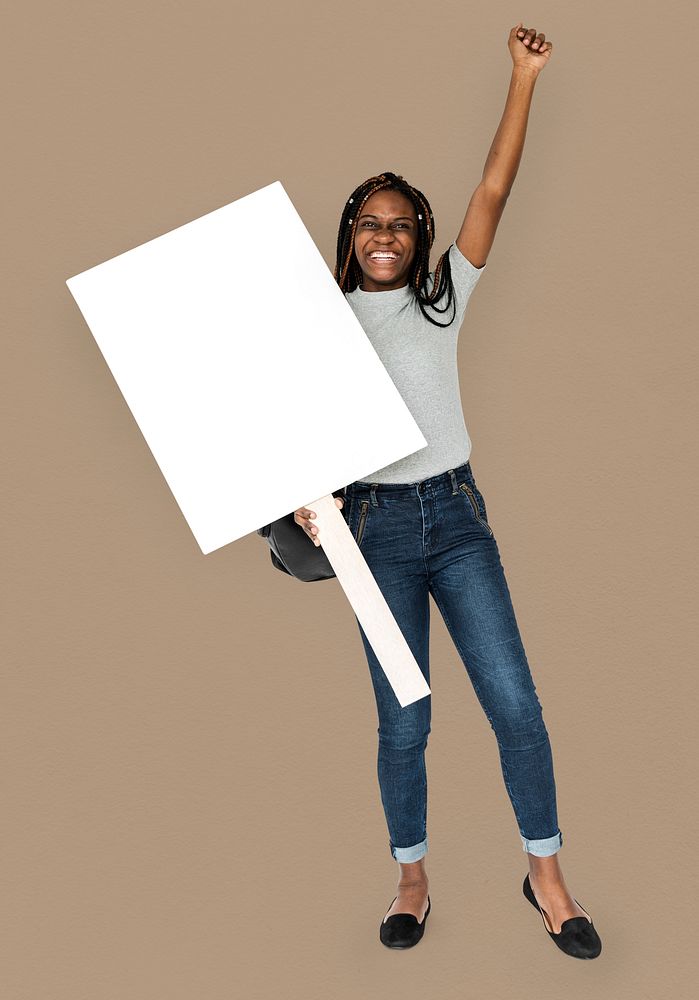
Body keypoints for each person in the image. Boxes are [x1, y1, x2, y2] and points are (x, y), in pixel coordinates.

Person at [294, 23, 601, 960]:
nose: (383, 235)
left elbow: (494, 186)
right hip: (374, 531)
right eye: (368, 223)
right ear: (348, 236)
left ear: (418, 235)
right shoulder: (314, 321)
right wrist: (303, 498)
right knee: (405, 721)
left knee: (515, 705)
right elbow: (279, 435)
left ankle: (545, 876)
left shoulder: (442, 296)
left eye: (399, 223)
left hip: (457, 519)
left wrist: (522, 77)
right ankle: (411, 880)